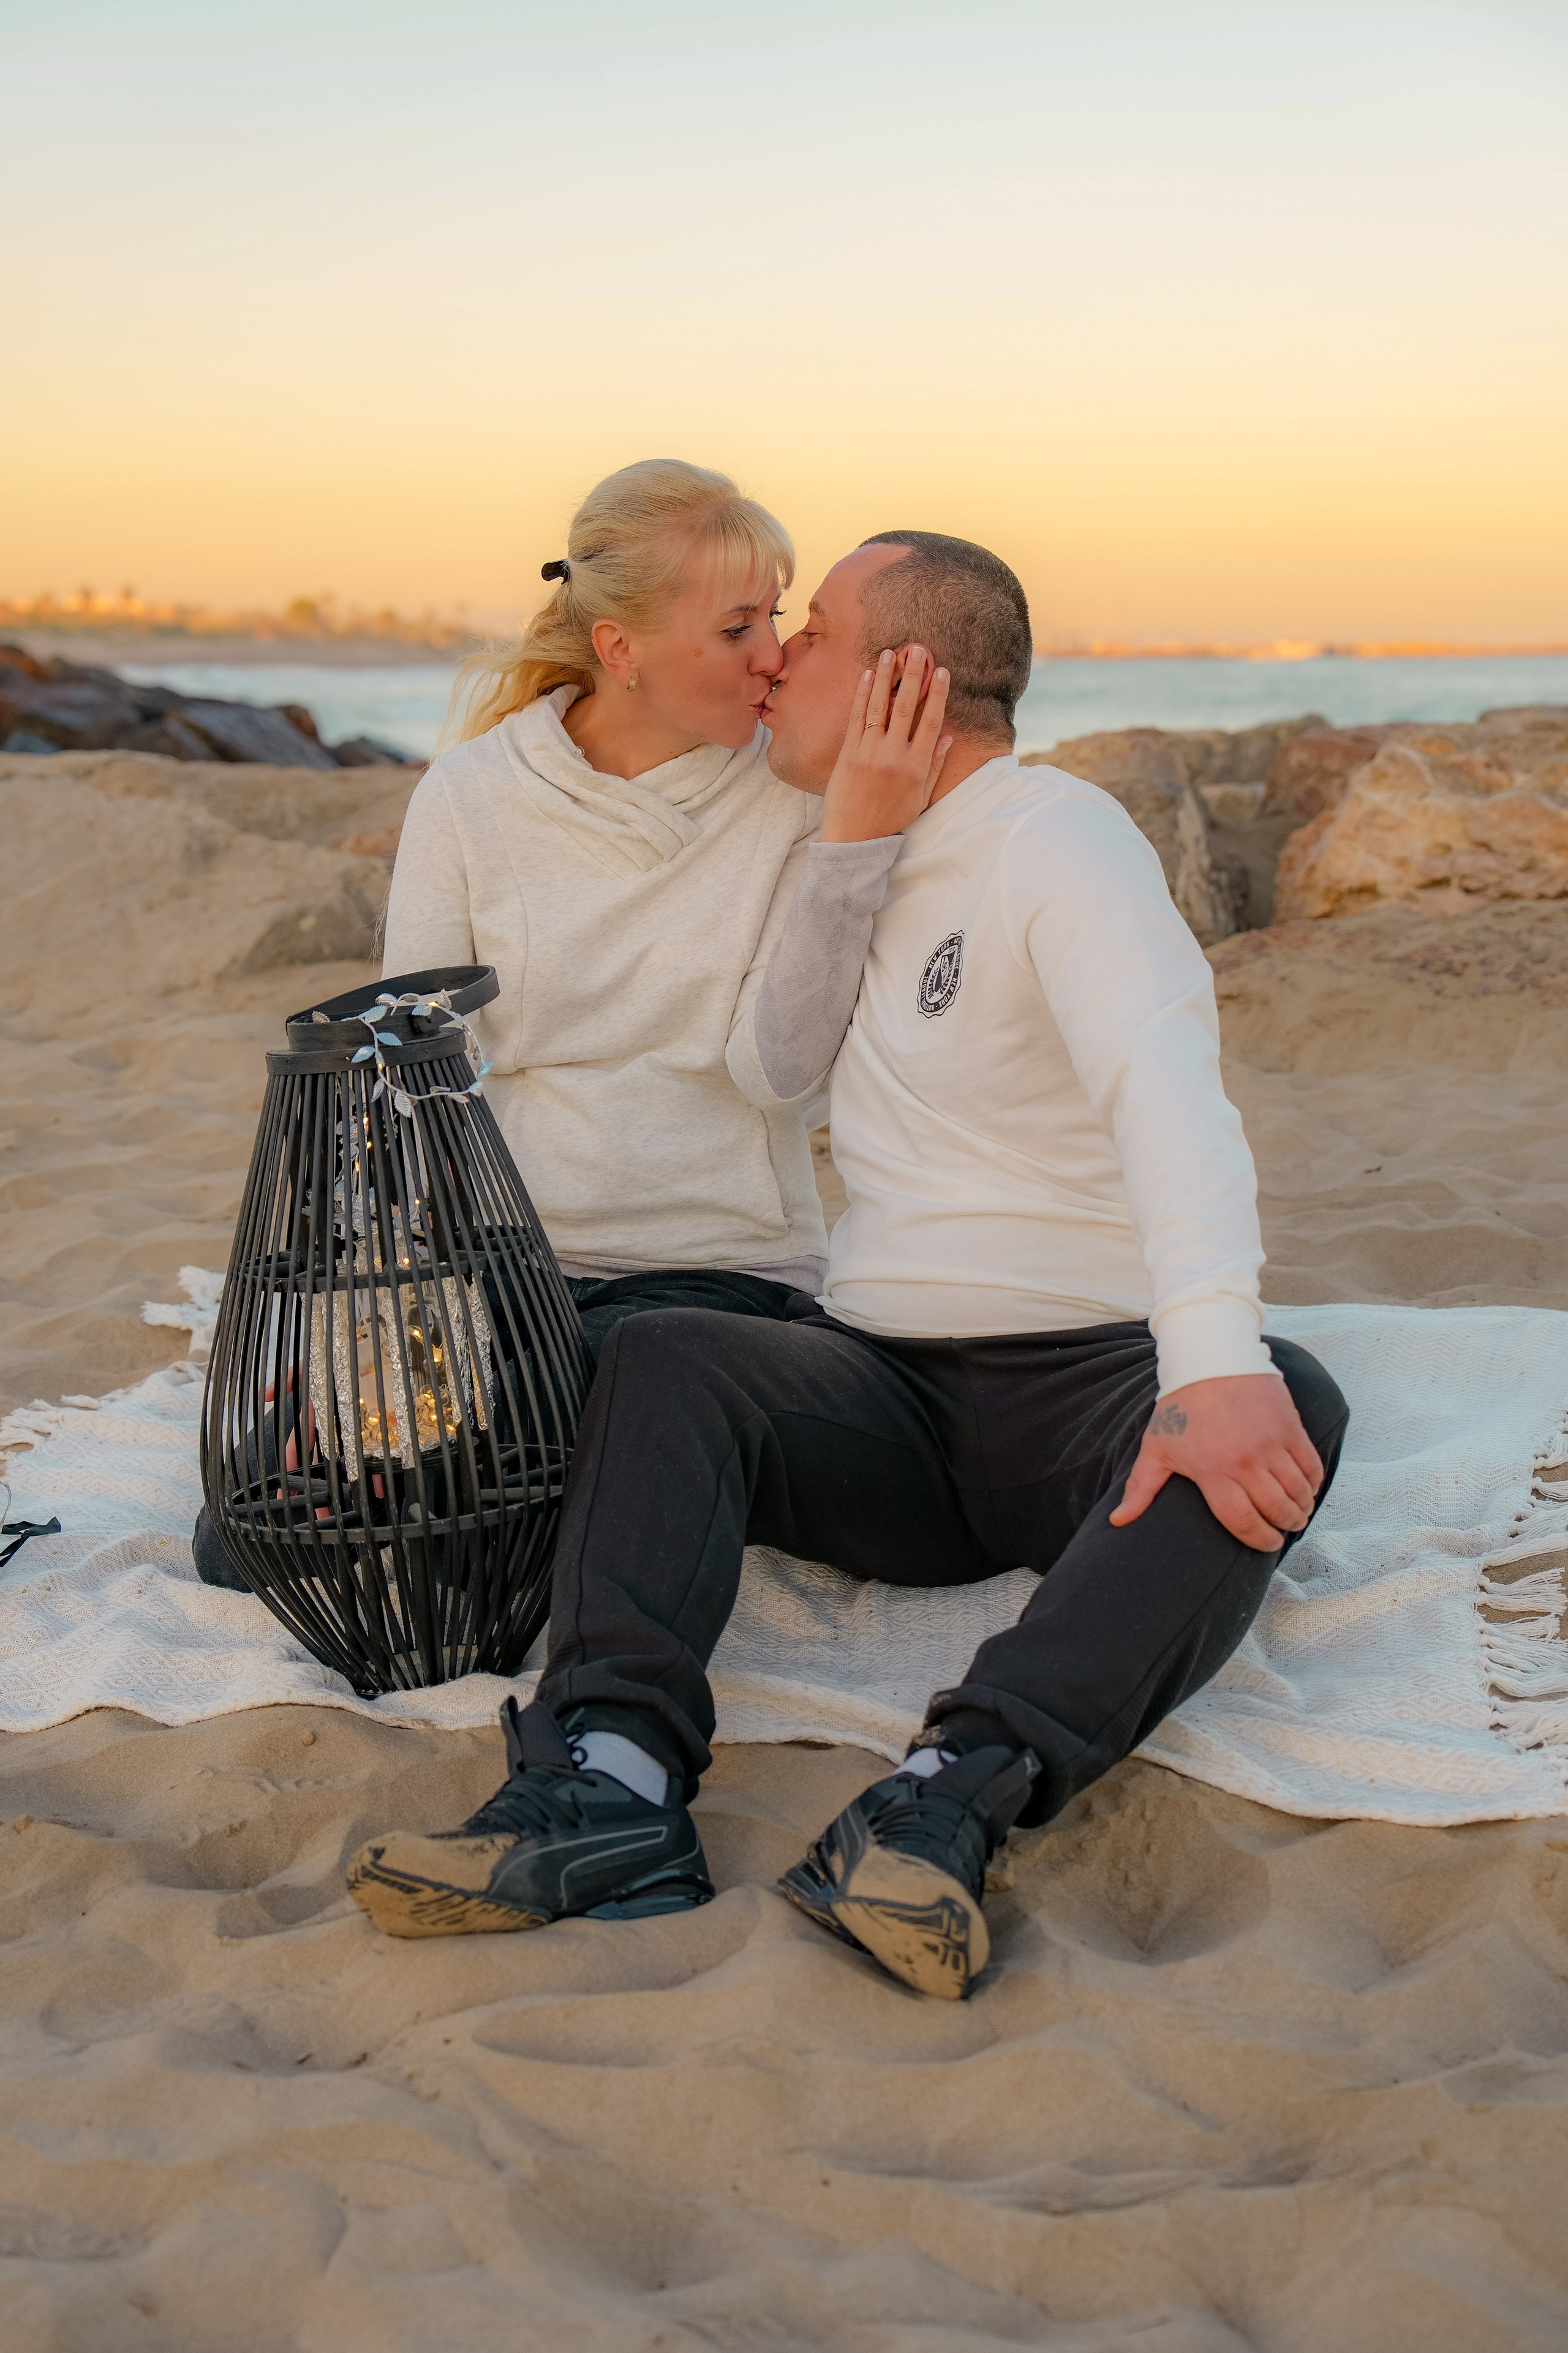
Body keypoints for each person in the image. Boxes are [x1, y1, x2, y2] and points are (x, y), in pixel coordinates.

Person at [347, 531, 1349, 2000]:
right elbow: (758, 1048)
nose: (775, 662)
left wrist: (1210, 1361)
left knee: (1288, 1397)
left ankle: (944, 1791)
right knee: (668, 1349)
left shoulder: (1050, 836)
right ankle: (609, 1786)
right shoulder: (842, 847)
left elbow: (1165, 1084)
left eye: (807, 634)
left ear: (903, 681)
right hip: (880, 1386)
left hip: (1080, 1384)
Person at [195, 457, 829, 1590]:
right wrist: (397, 1316)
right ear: (619, 650)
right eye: (738, 626)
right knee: (250, 1533)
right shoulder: (474, 794)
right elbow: (405, 1074)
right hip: (504, 1263)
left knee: (535, 1466)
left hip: (720, 1270)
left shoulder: (794, 795)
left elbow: (788, 1073)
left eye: (775, 617)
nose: (774, 654)